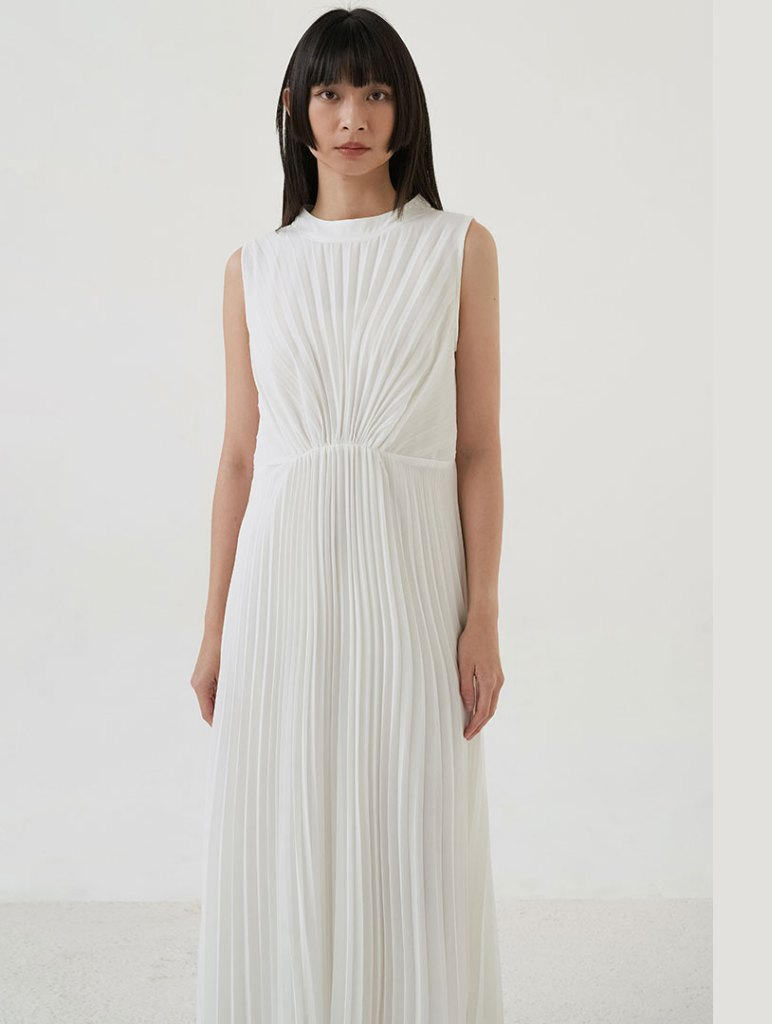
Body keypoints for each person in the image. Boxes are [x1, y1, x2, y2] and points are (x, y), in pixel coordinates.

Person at [190, 9, 505, 1021]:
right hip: (280, 587)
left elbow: (477, 448)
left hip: (409, 575)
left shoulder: (458, 248)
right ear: (295, 109)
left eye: (375, 93)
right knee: (285, 824)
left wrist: (484, 615)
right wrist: (214, 630)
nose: (353, 117)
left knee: (411, 822)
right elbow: (240, 458)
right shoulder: (253, 267)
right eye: (330, 93)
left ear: (405, 110)